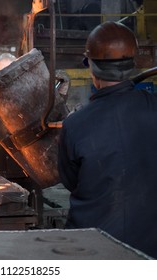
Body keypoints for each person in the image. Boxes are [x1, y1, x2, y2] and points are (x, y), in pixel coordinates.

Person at [57, 21, 157, 258]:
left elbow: (71, 181)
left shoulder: (75, 125)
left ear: (90, 66)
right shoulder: (154, 108)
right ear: (133, 64)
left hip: (91, 249)